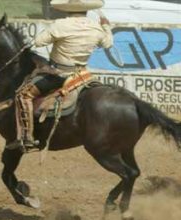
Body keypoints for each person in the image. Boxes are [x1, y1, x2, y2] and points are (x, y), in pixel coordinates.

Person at [12, 0, 113, 152]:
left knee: (23, 95)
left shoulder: (60, 25)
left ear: (67, 9)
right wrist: (106, 25)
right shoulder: (96, 27)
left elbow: (39, 42)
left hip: (59, 75)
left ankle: (27, 138)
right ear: (87, 10)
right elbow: (108, 44)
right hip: (82, 75)